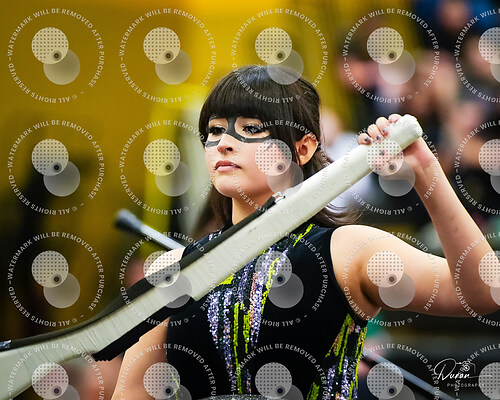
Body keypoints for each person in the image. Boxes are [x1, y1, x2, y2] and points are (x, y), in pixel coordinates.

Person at [112, 65, 498, 400]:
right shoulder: (171, 269)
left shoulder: (347, 250)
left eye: (250, 128)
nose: (224, 143)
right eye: (214, 130)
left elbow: (485, 290)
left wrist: (426, 171)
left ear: (303, 148)